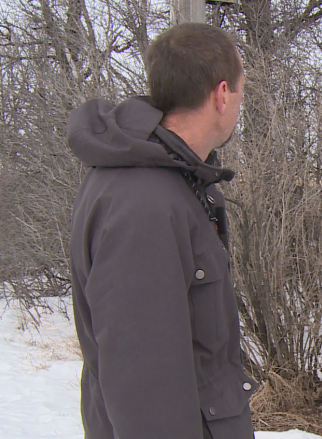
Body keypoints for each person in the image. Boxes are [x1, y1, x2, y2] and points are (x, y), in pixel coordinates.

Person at [67, 22, 256, 439]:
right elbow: (143, 386)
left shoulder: (174, 181)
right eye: (242, 89)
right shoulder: (143, 204)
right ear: (221, 95)